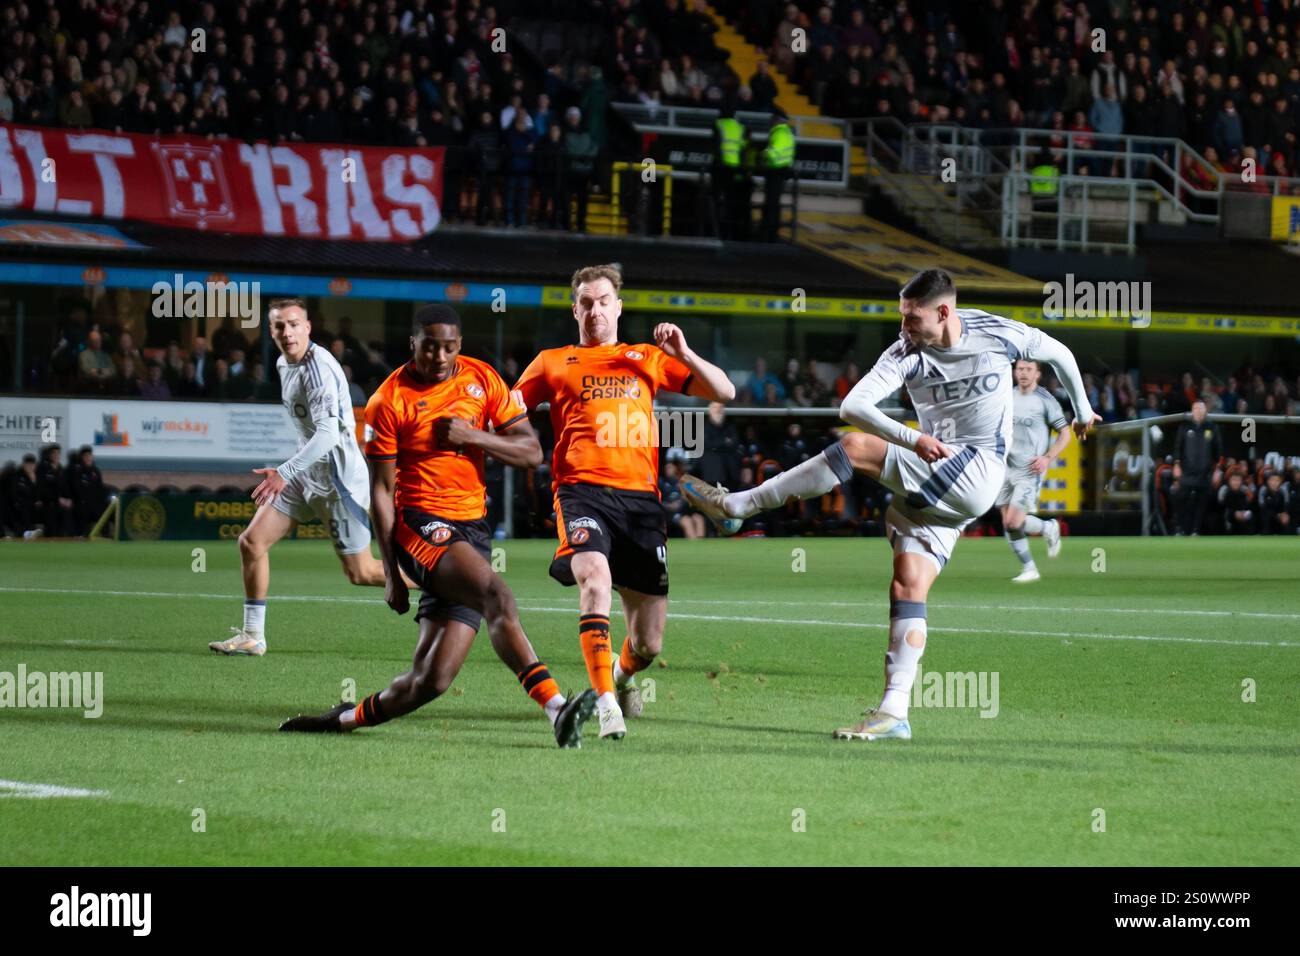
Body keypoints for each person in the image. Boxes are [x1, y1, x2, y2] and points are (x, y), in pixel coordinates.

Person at [682, 268, 1097, 742]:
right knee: (907, 585)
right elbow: (852, 406)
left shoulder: (996, 332)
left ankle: (739, 507)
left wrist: (1081, 410)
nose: (903, 327)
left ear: (944, 312)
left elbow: (1059, 354)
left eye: (911, 317)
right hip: (942, 477)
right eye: (901, 316)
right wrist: (914, 438)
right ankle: (894, 712)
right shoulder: (905, 352)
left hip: (980, 469)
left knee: (856, 450)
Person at [281, 305, 597, 746]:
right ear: (414, 343)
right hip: (421, 525)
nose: (440, 356)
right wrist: (391, 573)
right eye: (430, 346)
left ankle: (341, 720)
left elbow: (531, 452)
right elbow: (380, 493)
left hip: (472, 531)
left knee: (431, 679)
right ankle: (558, 709)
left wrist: (474, 437)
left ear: (460, 344)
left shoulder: (483, 378)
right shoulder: (388, 401)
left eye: (449, 346)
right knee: (497, 596)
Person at [512, 264, 736, 740]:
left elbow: (724, 391)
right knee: (594, 577)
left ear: (618, 306)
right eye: (586, 303)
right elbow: (506, 409)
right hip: (580, 492)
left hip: (641, 504)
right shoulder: (552, 362)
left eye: (603, 301)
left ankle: (621, 675)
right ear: (575, 310)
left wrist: (684, 352)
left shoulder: (647, 357)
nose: (594, 311)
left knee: (649, 643)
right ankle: (606, 704)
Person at [209, 299, 391, 657]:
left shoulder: (316, 370)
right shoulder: (282, 362)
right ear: (272, 331)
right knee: (251, 542)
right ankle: (252, 636)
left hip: (338, 481)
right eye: (279, 326)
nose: (287, 332)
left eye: (294, 324)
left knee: (362, 573)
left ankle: (441, 586)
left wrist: (284, 471)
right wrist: (293, 471)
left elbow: (326, 435)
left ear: (308, 327)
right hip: (305, 474)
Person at [997, 359, 1071, 582]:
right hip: (1004, 467)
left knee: (1014, 521)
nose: (1023, 373)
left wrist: (1048, 458)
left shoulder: (1045, 400)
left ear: (1038, 374)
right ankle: (1029, 568)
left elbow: (1065, 434)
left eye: (1029, 369)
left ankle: (1049, 527)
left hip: (1029, 468)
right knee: (1008, 524)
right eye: (1020, 369)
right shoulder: (1004, 396)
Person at [1171, 400, 1222, 536]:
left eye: (1201, 409)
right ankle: (1179, 529)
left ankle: (1195, 530)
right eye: (1196, 408)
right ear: (1192, 410)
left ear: (1205, 411)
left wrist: (1217, 470)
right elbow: (1177, 448)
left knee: (1201, 504)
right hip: (1187, 472)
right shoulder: (1184, 427)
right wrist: (1176, 465)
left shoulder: (1212, 428)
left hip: (1204, 473)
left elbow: (1218, 452)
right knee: (1182, 499)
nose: (1199, 411)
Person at [760, 110, 794, 241]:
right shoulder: (786, 133)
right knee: (773, 203)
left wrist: (763, 153)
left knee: (771, 204)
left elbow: (773, 153)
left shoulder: (779, 133)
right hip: (780, 172)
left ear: (777, 120)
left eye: (772, 119)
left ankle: (769, 232)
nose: (770, 122)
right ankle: (771, 231)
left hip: (775, 172)